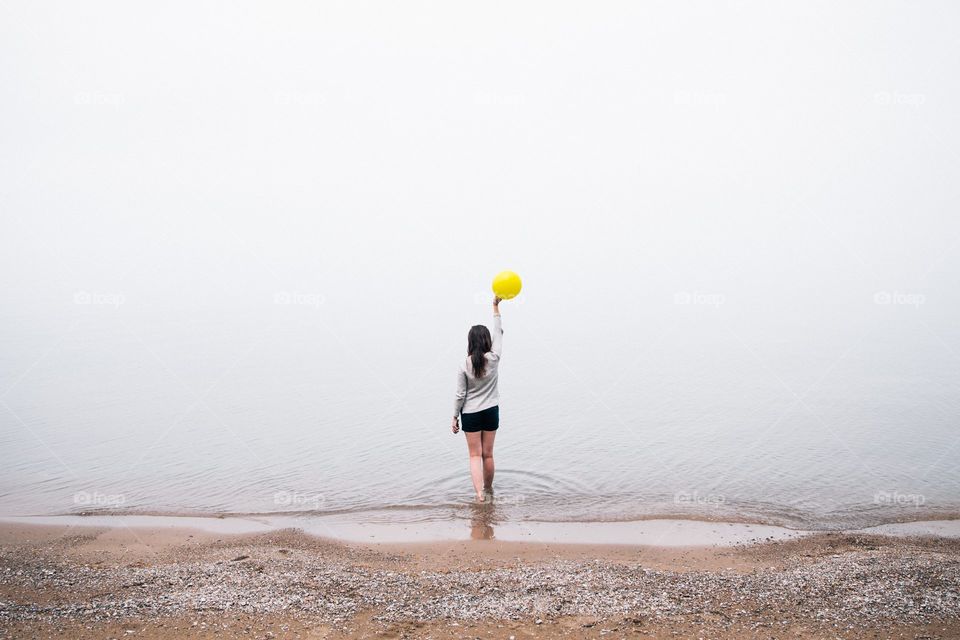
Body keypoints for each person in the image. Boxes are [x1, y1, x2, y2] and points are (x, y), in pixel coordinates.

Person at [452, 296, 505, 502]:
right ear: (486, 341)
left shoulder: (464, 365)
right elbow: (498, 332)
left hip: (471, 413)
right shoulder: (494, 358)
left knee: (475, 455)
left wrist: (455, 417)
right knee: (488, 455)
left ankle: (480, 494)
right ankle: (490, 490)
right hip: (491, 410)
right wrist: (495, 307)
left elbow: (460, 394)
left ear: (470, 342)